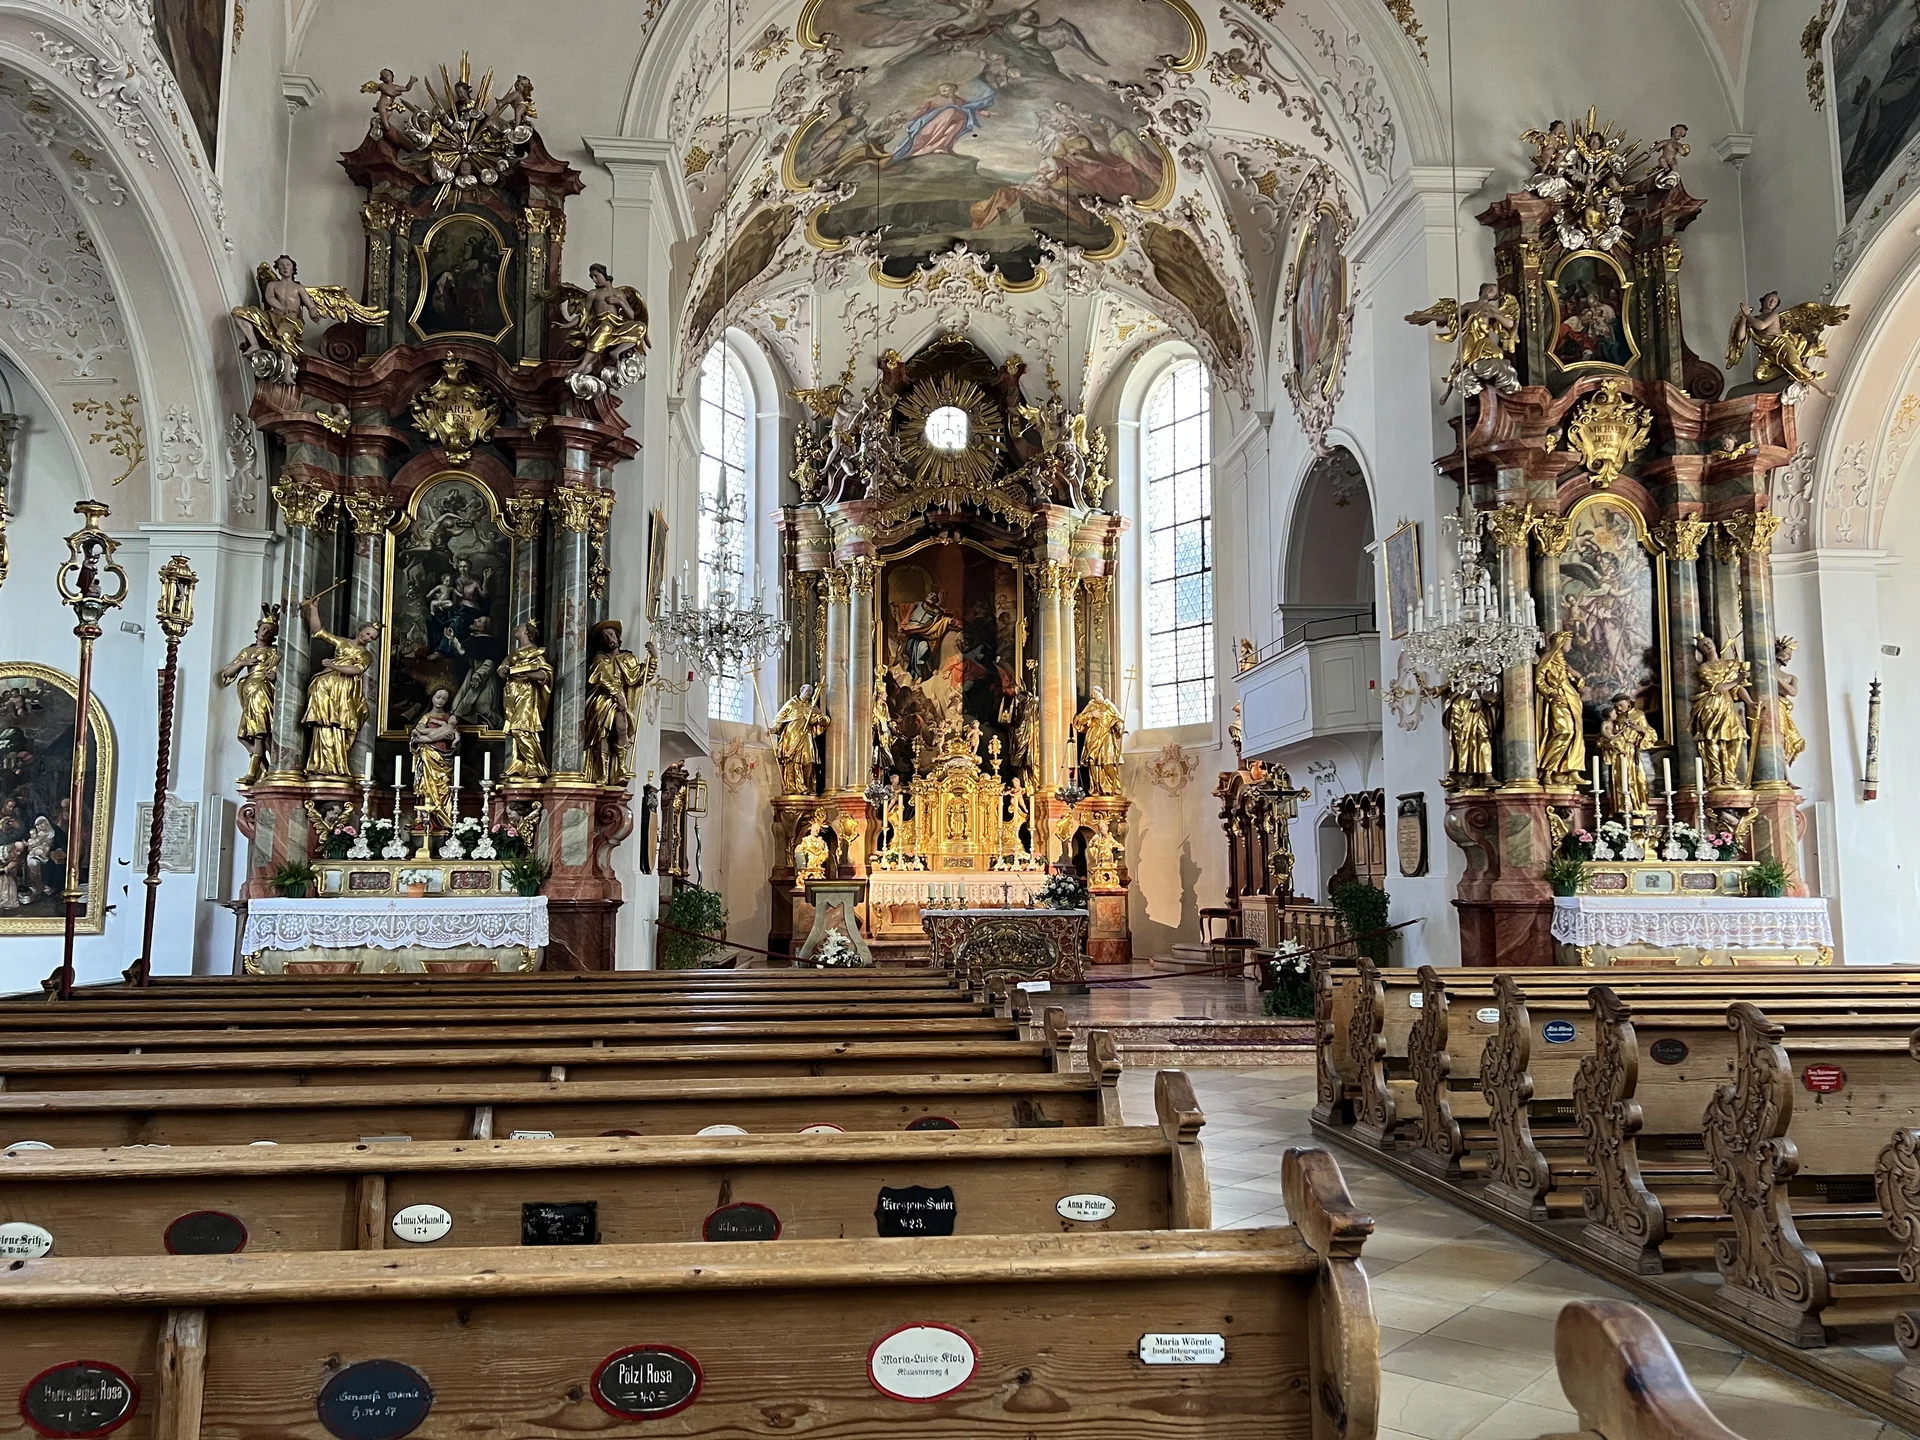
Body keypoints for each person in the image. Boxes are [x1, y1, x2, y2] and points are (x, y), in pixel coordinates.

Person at [299, 598, 380, 781]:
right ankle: (319, 765)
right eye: (367, 633)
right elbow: (319, 631)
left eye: (371, 638)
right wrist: (313, 609)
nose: (367, 638)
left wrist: (334, 666)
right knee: (324, 724)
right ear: (362, 629)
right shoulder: (342, 643)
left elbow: (356, 670)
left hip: (345, 692)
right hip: (326, 687)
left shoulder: (365, 655)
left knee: (341, 726)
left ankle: (336, 766)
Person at [217, 607, 280, 788]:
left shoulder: (274, 652)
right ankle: (266, 769)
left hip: (262, 692)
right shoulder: (247, 651)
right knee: (243, 736)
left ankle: (253, 772)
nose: (265, 632)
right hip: (248, 693)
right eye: (263, 629)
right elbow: (227, 672)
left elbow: (286, 673)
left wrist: (275, 674)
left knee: (258, 733)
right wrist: (244, 662)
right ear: (258, 630)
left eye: (270, 631)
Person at [581, 620, 648, 787]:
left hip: (621, 702)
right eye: (605, 636)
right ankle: (603, 772)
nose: (609, 638)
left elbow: (641, 677)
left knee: (622, 728)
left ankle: (620, 766)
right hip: (602, 700)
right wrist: (616, 693)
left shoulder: (628, 658)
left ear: (618, 638)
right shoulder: (599, 658)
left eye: (611, 634)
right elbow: (601, 678)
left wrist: (653, 658)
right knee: (602, 734)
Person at [498, 623, 554, 782]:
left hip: (526, 693)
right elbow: (501, 669)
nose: (515, 628)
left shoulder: (536, 653)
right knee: (513, 730)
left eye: (519, 627)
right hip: (511, 694)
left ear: (527, 632)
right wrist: (503, 670)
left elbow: (545, 675)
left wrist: (526, 672)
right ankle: (518, 765)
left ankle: (535, 765)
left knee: (521, 729)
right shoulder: (513, 654)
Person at [1534, 630, 1586, 789]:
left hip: (1572, 701)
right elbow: (1538, 679)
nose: (1570, 645)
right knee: (1563, 732)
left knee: (1575, 734)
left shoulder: (1564, 663)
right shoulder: (1548, 658)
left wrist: (1577, 676)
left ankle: (1571, 770)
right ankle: (1548, 770)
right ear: (1560, 642)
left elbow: (1577, 685)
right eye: (1568, 641)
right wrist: (1551, 693)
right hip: (1558, 700)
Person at [409, 689, 459, 828]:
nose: (440, 701)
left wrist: (452, 741)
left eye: (444, 698)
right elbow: (415, 734)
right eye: (438, 697)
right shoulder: (426, 717)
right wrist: (419, 738)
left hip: (444, 757)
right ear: (432, 698)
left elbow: (456, 739)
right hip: (427, 755)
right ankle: (425, 820)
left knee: (443, 787)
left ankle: (442, 820)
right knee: (426, 787)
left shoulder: (449, 719)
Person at [1072, 687, 1126, 795]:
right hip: (1093, 737)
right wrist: (1091, 714)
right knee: (1094, 762)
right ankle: (1096, 788)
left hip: (1107, 736)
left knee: (1107, 762)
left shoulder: (1108, 705)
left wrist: (1119, 728)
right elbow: (1078, 720)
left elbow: (1118, 719)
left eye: (1095, 693)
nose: (1093, 696)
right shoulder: (1091, 705)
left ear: (1101, 693)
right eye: (1092, 694)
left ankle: (1112, 787)